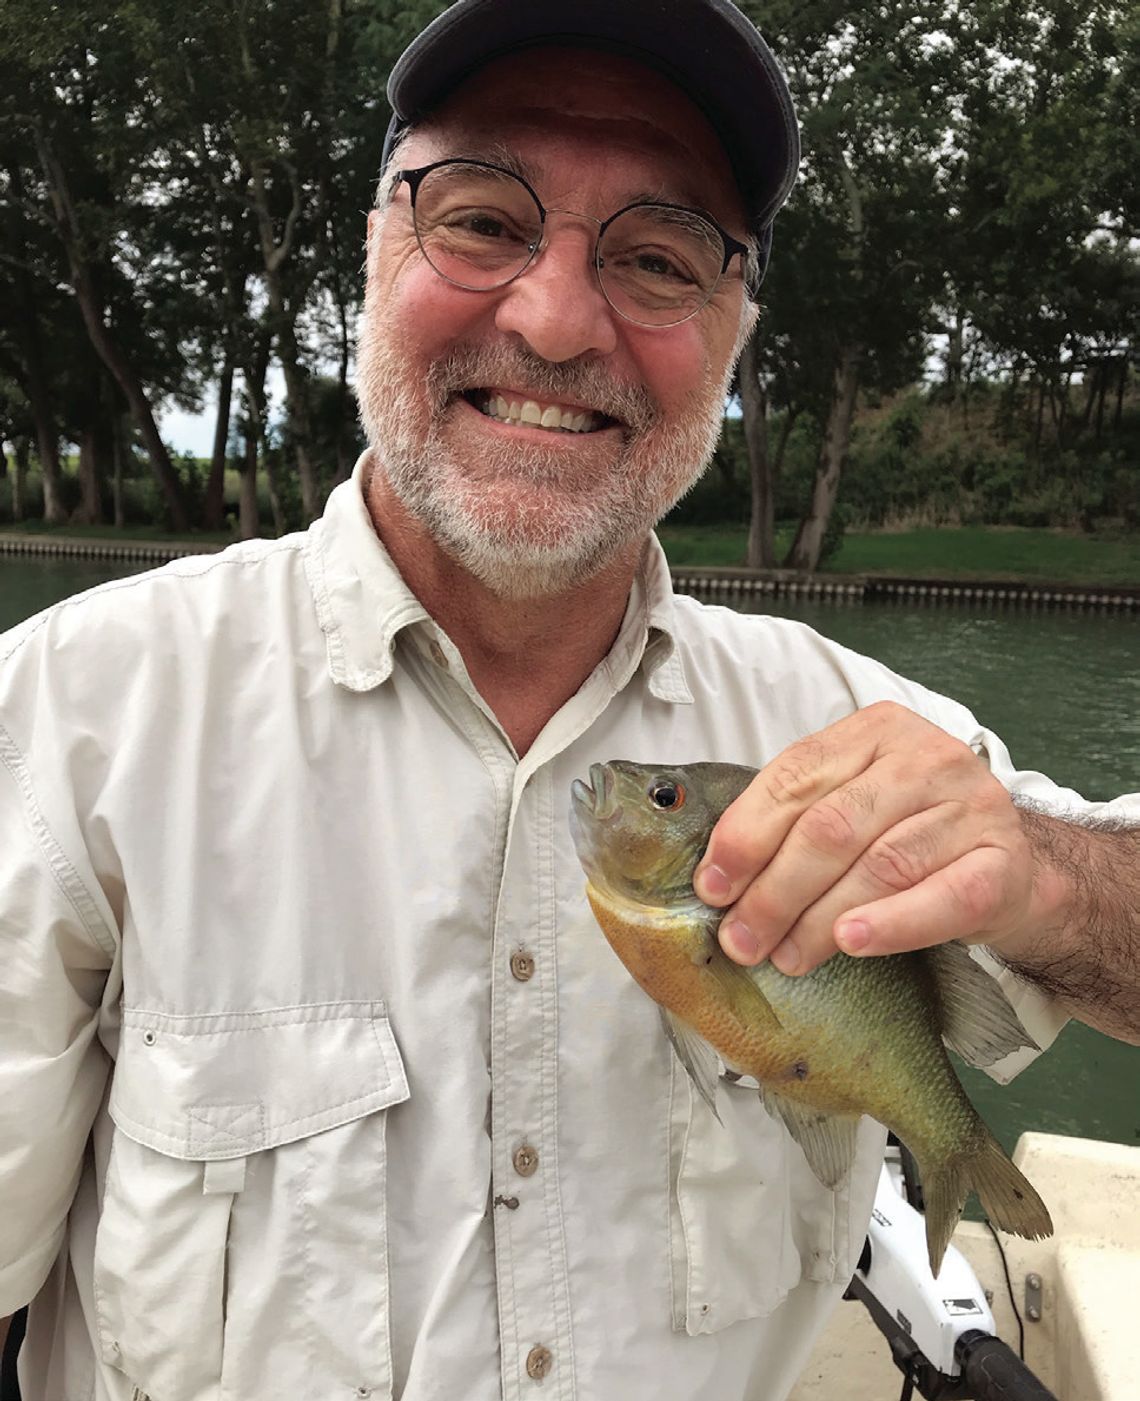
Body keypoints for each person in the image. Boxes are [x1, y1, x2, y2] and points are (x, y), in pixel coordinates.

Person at [1, 2, 1136, 1398]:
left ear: (733, 336)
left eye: (658, 257)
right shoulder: (71, 716)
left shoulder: (847, 727)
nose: (551, 316)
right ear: (376, 257)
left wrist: (1049, 880)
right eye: (482, 220)